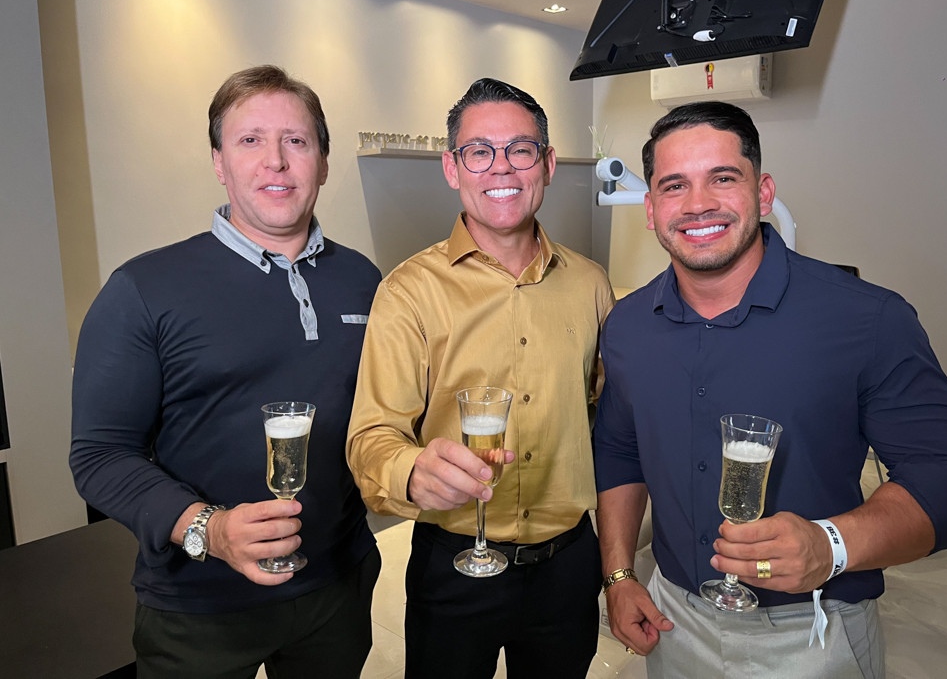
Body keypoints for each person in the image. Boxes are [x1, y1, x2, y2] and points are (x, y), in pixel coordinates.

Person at [594, 101, 947, 678]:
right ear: (651, 209)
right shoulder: (628, 326)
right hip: (674, 621)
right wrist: (620, 575)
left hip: (814, 632)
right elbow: (620, 451)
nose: (698, 203)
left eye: (723, 178)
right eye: (675, 185)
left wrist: (832, 544)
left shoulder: (866, 318)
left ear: (763, 193)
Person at [69, 65, 382, 678]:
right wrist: (208, 530)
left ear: (322, 160)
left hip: (336, 590)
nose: (276, 161)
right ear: (219, 161)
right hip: (197, 606)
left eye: (296, 141)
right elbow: (99, 457)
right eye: (250, 140)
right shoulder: (143, 289)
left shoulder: (363, 280)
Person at [346, 78, 615, 678]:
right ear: (452, 167)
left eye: (521, 149)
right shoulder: (407, 291)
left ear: (547, 164)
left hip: (569, 565)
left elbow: (617, 419)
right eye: (479, 151)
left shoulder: (592, 284)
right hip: (453, 566)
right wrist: (412, 471)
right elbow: (372, 435)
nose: (502, 167)